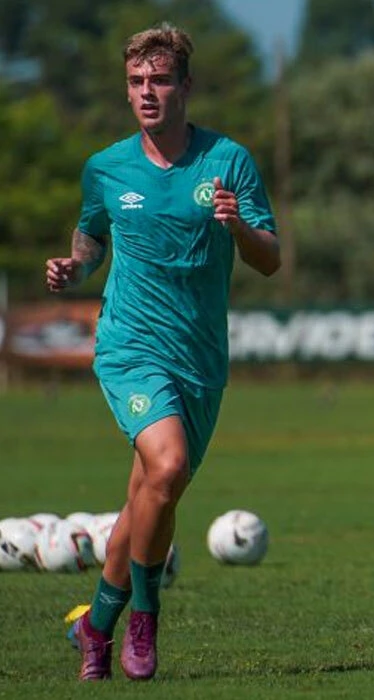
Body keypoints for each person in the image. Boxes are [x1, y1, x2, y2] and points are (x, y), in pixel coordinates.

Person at [47, 23, 279, 681]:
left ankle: (95, 623)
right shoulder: (107, 166)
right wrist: (75, 267)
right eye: (136, 82)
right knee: (168, 465)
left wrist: (238, 229)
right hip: (129, 347)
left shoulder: (227, 162)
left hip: (200, 359)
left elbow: (271, 259)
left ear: (185, 87)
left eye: (159, 80)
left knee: (152, 495)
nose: (147, 92)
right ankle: (143, 623)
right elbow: (91, 234)